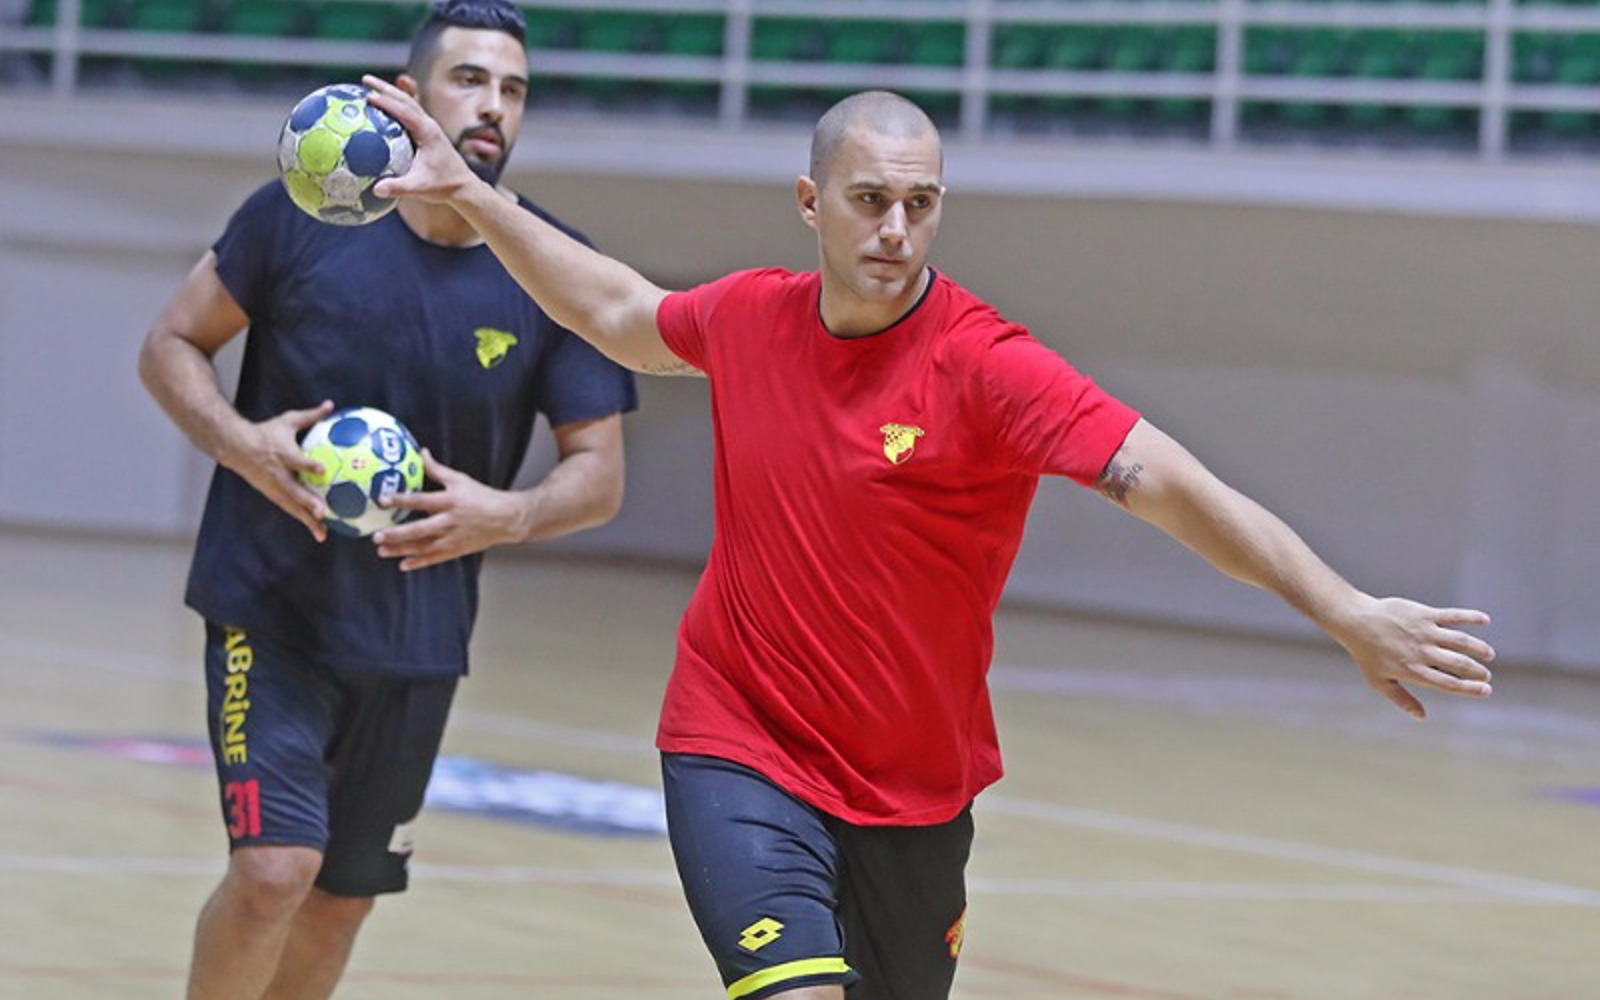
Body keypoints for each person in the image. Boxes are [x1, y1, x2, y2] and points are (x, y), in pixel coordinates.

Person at [364, 81, 1496, 1000]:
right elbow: (615, 310)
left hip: (911, 787)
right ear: (811, 202)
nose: (895, 230)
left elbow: (1178, 488)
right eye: (869, 200)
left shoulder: (990, 368)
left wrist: (1344, 608)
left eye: (920, 203)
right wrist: (471, 197)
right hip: (739, 738)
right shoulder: (750, 317)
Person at [136, 3, 638, 997]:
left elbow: (599, 475)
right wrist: (241, 443)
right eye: (470, 80)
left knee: (339, 901)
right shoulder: (301, 215)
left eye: (513, 89)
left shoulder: (550, 267)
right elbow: (170, 344)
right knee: (275, 871)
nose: (493, 106)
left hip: (417, 636)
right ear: (410, 97)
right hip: (270, 607)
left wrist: (512, 512)